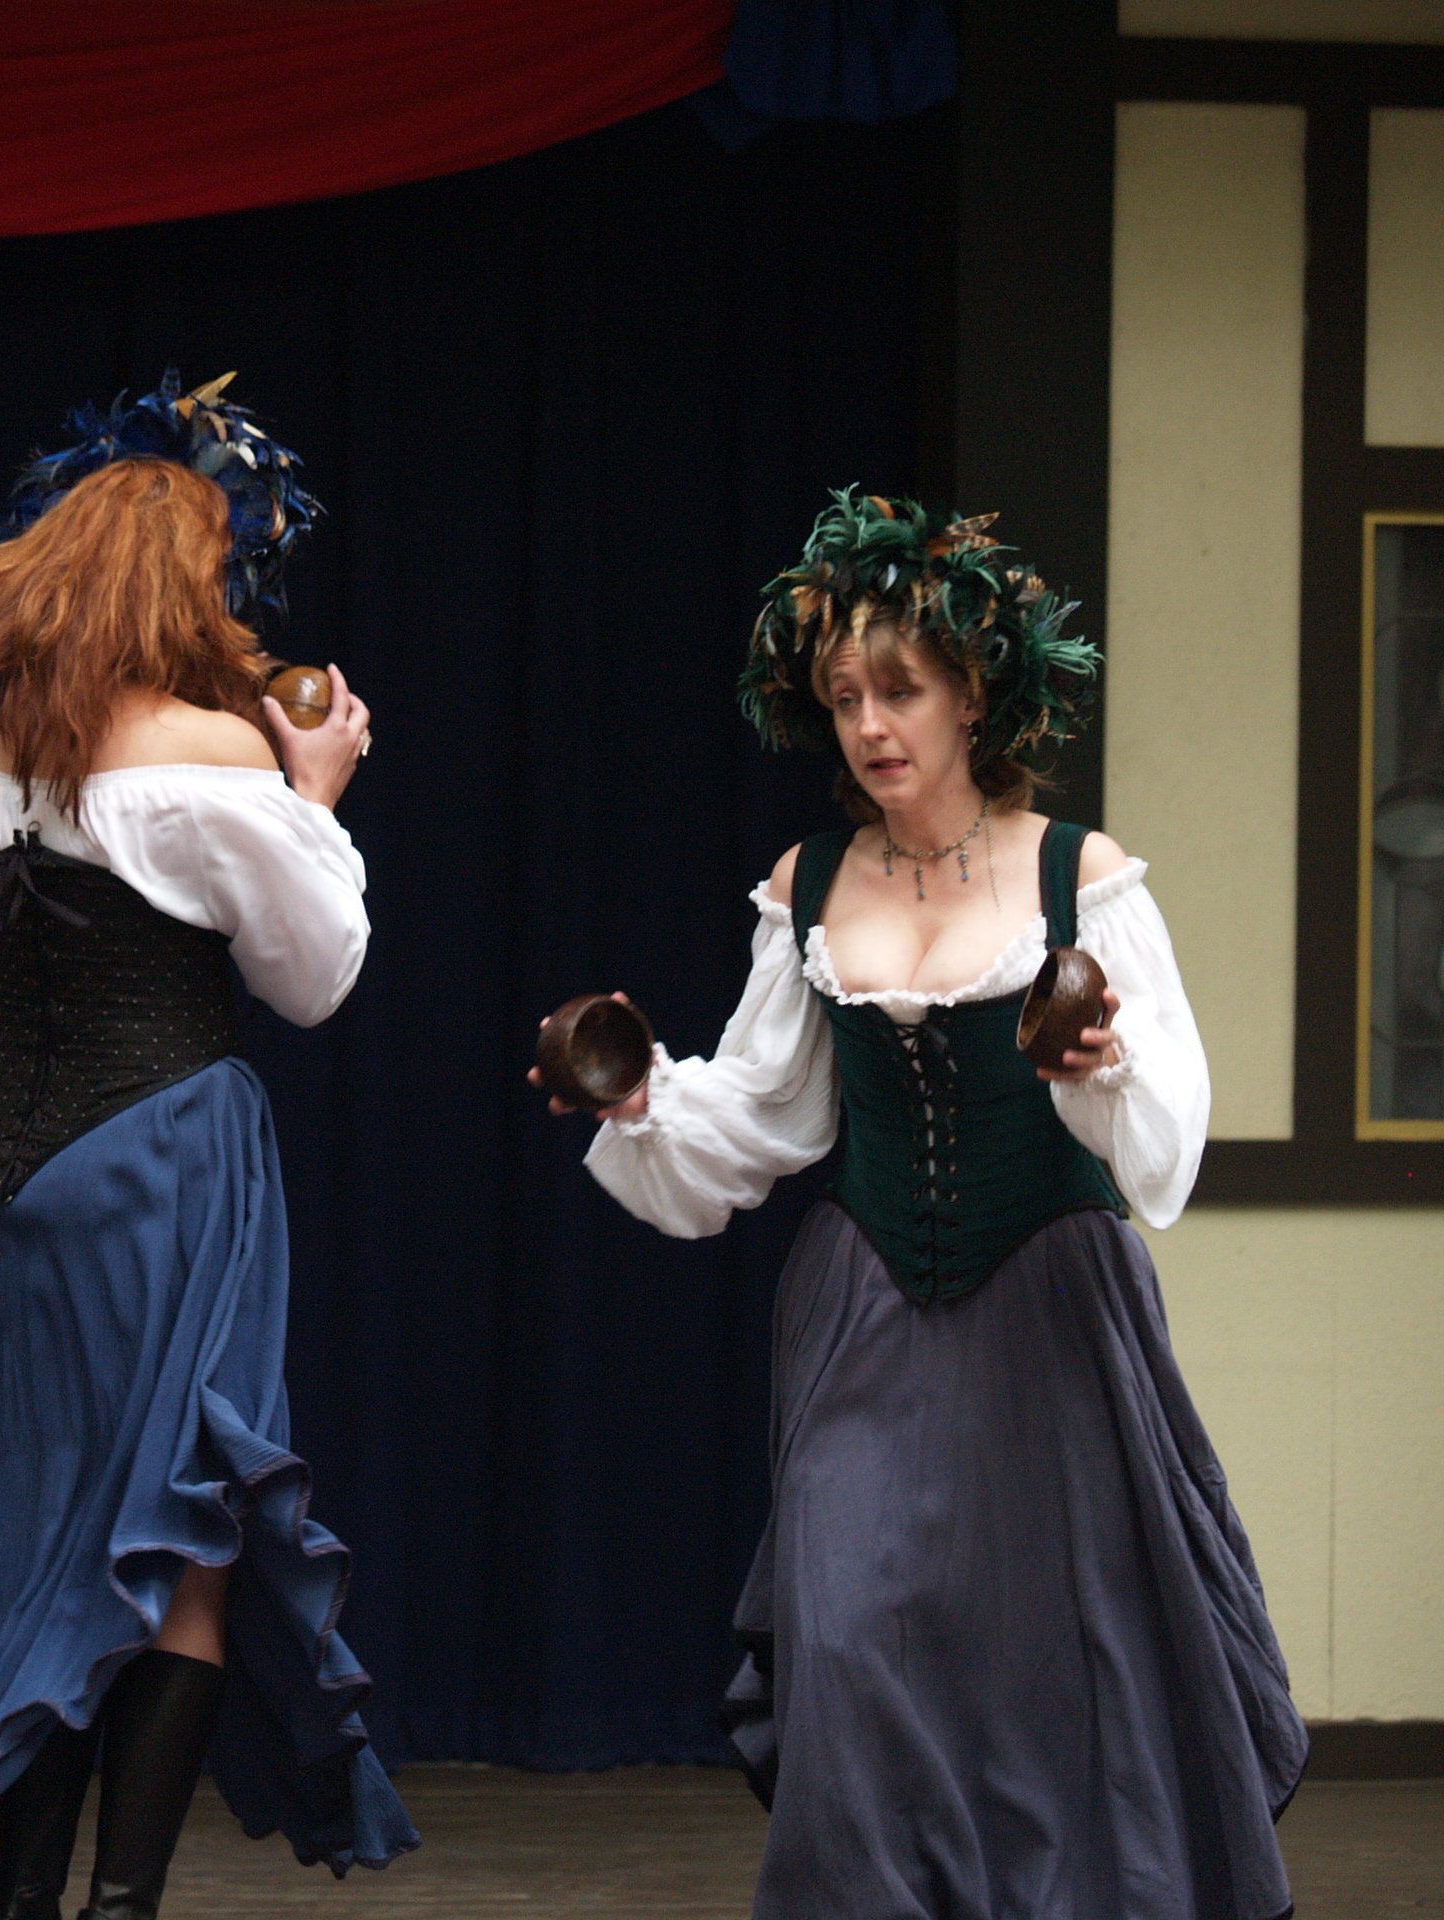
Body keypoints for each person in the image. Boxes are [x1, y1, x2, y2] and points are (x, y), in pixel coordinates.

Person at [543, 492, 1307, 1919]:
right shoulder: (810, 885)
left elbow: (1165, 1145)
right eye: (845, 698)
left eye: (899, 690)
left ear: (974, 694)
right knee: (849, 1637)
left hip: (1055, 1312)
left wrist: (1102, 1063)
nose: (871, 724)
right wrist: (644, 1101)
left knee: (1055, 1665)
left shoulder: (1084, 878)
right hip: (868, 1307)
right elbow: (770, 1111)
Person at [0, 375, 419, 1920]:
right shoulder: (210, 757)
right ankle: (116, 1909)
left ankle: (24, 1900)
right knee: (179, 1544)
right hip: (160, 1162)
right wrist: (317, 798)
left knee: (41, 1539)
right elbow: (316, 977)